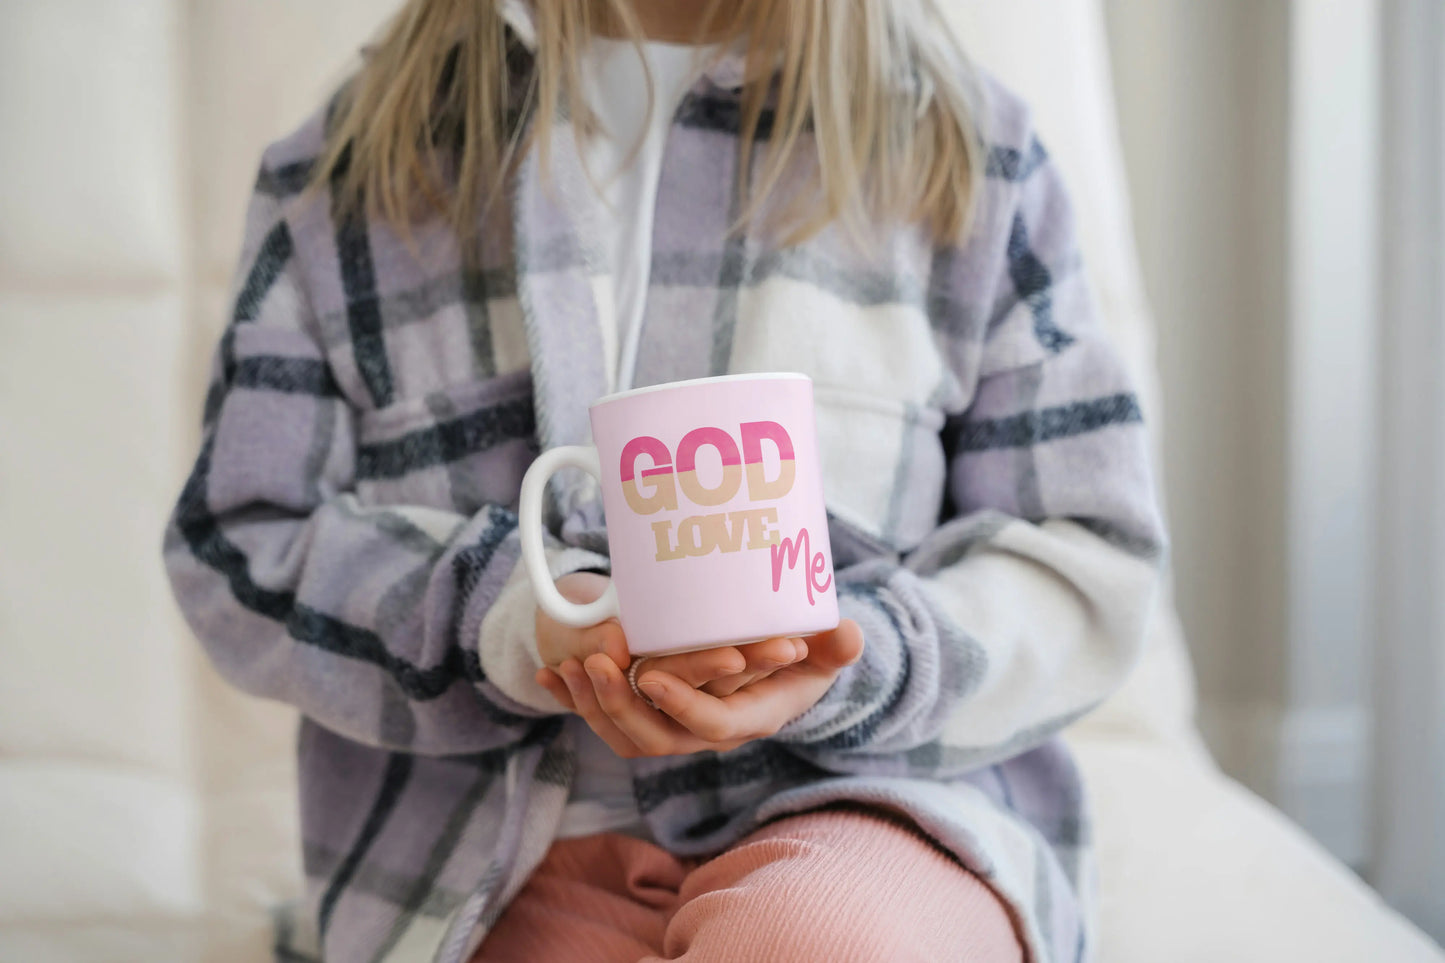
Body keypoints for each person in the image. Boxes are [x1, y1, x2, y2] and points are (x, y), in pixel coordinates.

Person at [160, 0, 1166, 960]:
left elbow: (1083, 553)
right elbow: (240, 545)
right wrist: (510, 619)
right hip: (494, 861)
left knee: (815, 940)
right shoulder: (340, 177)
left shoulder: (971, 160)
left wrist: (860, 659)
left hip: (875, 816)